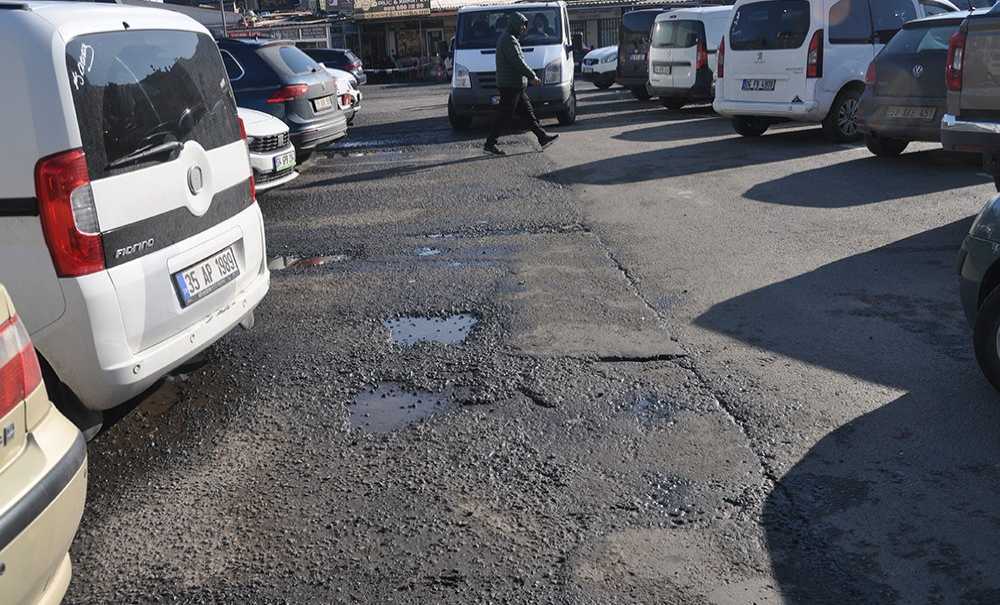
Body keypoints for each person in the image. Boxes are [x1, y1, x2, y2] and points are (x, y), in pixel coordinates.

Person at [484, 12, 559, 156]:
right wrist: (532, 76)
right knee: (504, 116)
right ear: (514, 25)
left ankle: (542, 137)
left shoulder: (509, 38)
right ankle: (489, 144)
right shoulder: (509, 40)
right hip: (510, 85)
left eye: (525, 26)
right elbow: (518, 62)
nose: (524, 29)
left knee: (528, 113)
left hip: (515, 85)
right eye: (522, 26)